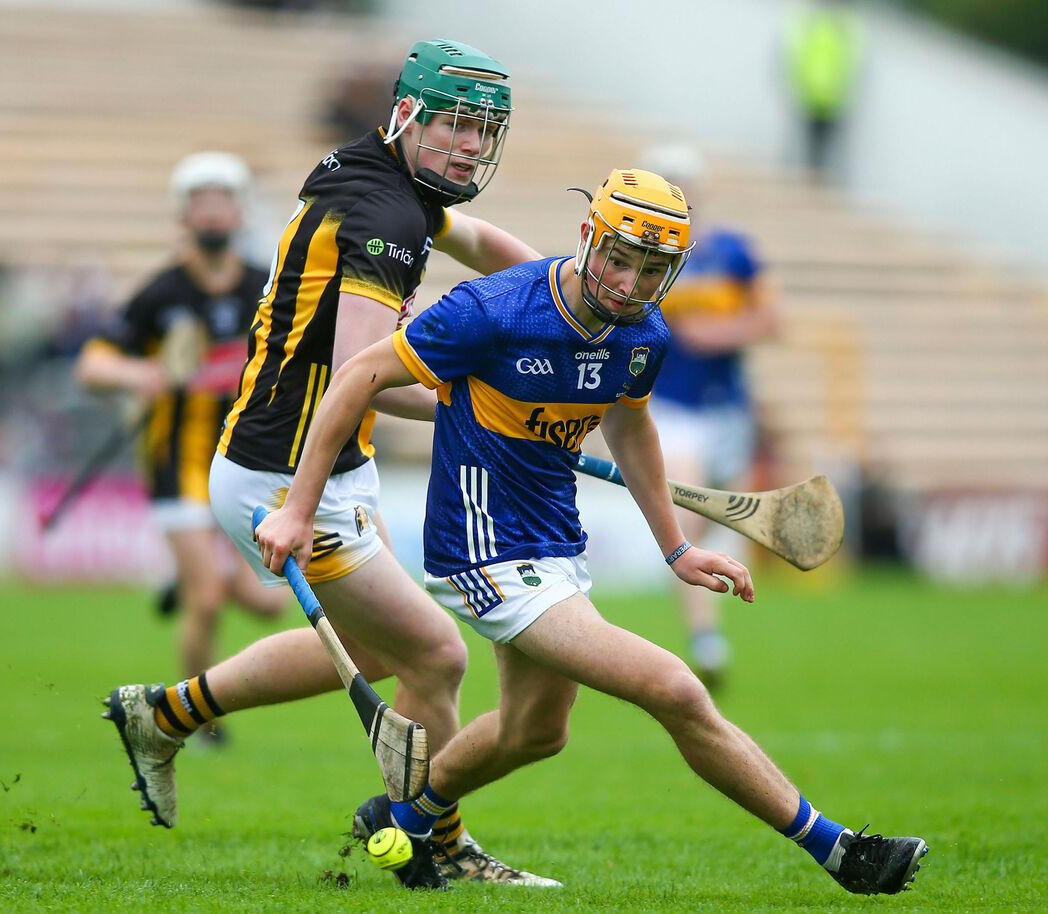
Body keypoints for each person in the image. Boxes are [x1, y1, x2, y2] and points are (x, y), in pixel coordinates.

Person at [256, 168, 929, 894]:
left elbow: (631, 426)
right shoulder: (492, 310)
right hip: (484, 552)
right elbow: (358, 377)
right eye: (618, 257)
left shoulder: (643, 334)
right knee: (673, 687)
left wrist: (677, 548)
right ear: (587, 238)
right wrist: (299, 507)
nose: (629, 282)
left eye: (652, 269)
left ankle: (404, 815)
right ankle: (840, 852)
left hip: (554, 542)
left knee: (536, 732)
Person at [104, 40, 557, 885]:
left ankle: (164, 715)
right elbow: (363, 375)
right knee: (437, 656)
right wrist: (483, 412)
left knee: (380, 652)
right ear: (406, 116)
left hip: (315, 459)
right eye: (454, 125)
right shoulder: (387, 217)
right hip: (289, 473)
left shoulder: (382, 174)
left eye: (483, 131)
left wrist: (569, 298)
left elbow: (479, 240)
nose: (469, 146)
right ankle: (439, 846)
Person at [78, 151, 291, 742]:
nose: (214, 213)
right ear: (183, 215)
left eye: (224, 201)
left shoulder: (266, 286)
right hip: (177, 462)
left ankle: (187, 573)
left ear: (241, 211)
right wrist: (136, 374)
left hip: (246, 463)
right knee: (207, 599)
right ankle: (199, 723)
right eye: (202, 203)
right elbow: (91, 364)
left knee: (270, 606)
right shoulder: (162, 293)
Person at [639, 142, 780, 689]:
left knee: (729, 519)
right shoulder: (643, 256)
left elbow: (770, 318)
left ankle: (714, 620)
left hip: (728, 408)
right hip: (672, 406)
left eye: (685, 183)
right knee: (690, 518)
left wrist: (714, 334)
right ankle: (705, 637)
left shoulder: (732, 252)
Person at [783, 0, 864, 180]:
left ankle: (815, 184)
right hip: (813, 97)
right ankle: (809, 184)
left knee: (821, 154)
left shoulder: (841, 28)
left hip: (830, 101)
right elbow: (798, 56)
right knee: (810, 151)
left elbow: (851, 64)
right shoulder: (823, 25)